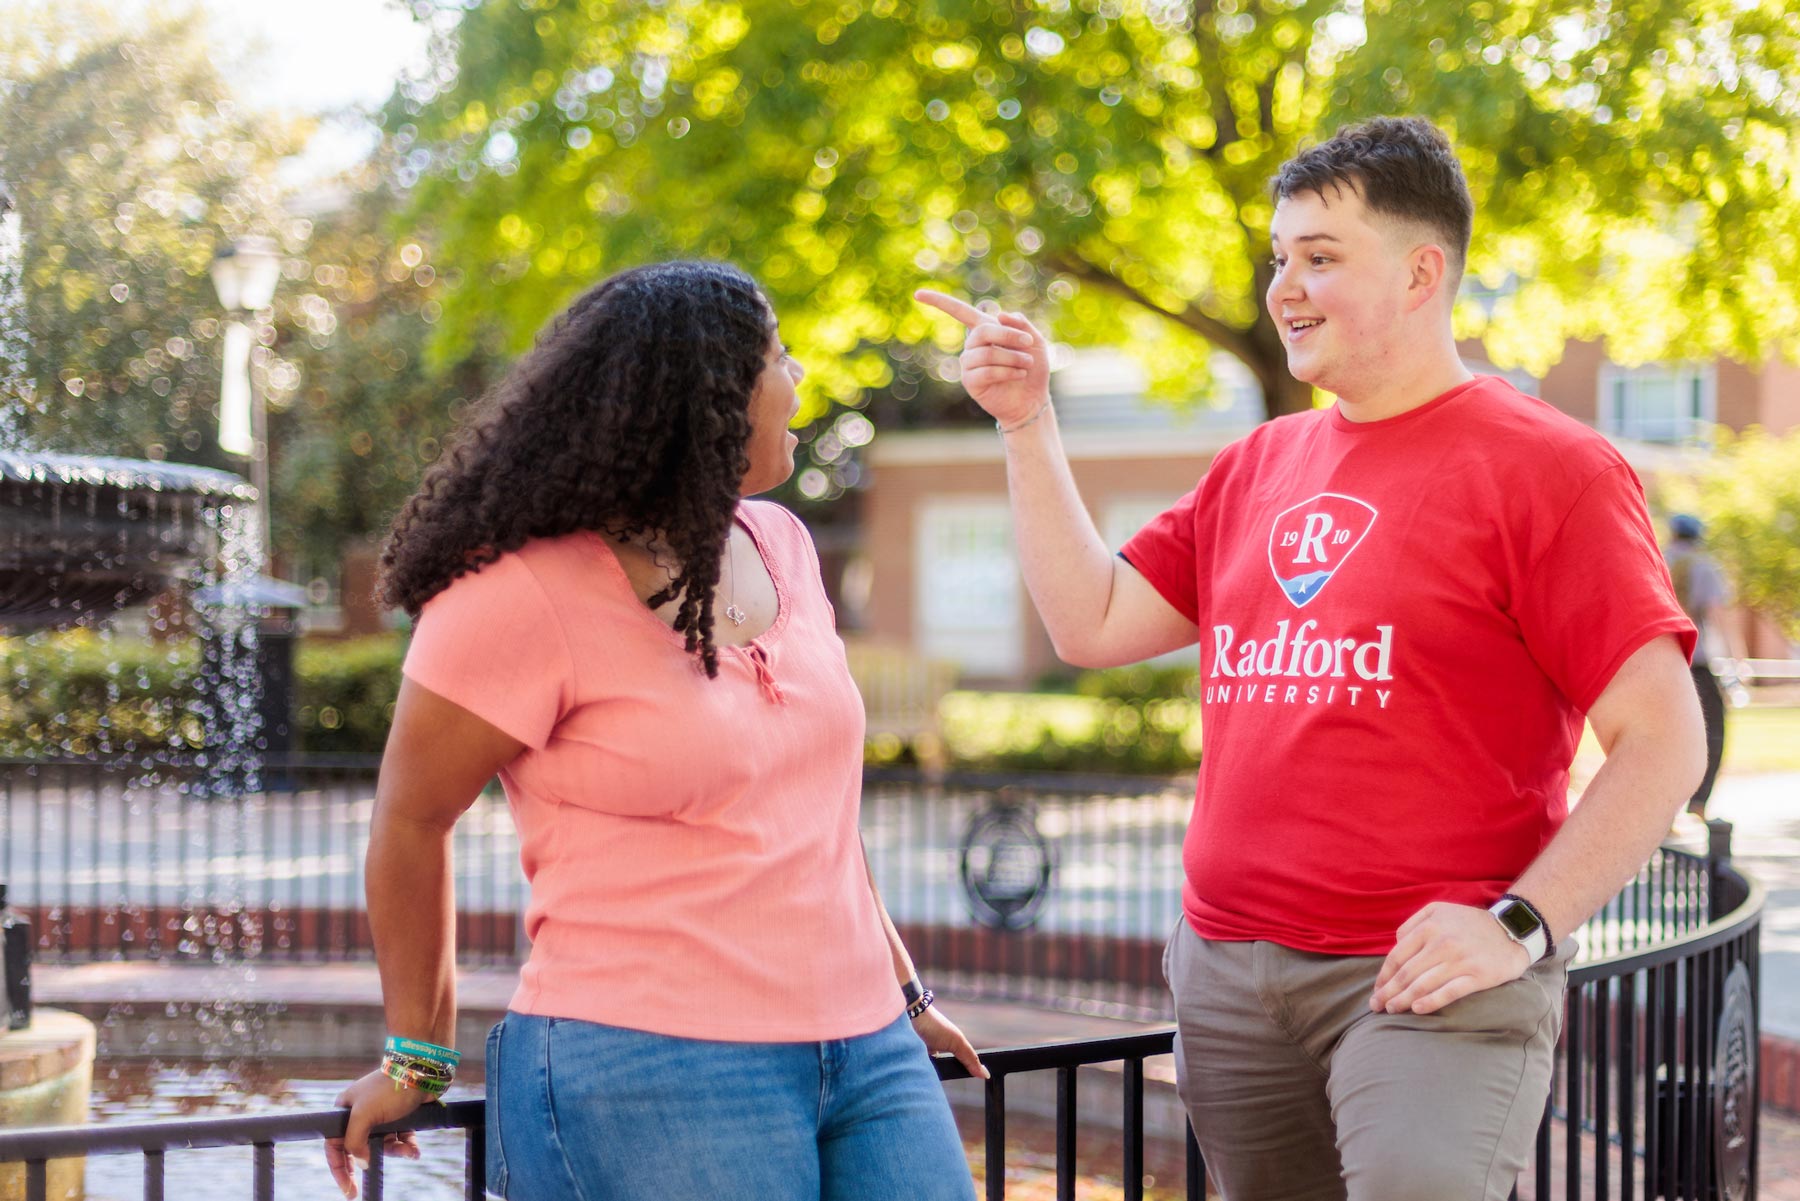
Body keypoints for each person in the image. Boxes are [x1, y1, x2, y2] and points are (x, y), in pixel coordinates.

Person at [918, 116, 1704, 1200]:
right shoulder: (1259, 462)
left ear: (1424, 271)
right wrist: (1024, 422)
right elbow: (1092, 621)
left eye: (1321, 258)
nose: (1285, 286)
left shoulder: (1552, 468)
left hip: (1422, 985)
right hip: (1230, 978)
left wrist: (1521, 924)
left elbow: (1665, 740)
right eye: (1280, 258)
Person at [325, 260, 983, 1201]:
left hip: (866, 1049)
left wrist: (905, 994)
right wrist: (416, 1058)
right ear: (704, 402)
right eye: (779, 359)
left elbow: (818, 813)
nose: (799, 380)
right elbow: (409, 819)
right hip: (649, 1061)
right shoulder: (517, 591)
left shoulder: (783, 544)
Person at [1664, 513, 1734, 819]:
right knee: (1712, 730)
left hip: (1660, 659)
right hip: (1698, 660)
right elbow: (1719, 616)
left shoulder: (1656, 559)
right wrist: (1735, 660)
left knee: (1660, 734)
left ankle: (1663, 811)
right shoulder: (1705, 565)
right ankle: (1697, 803)